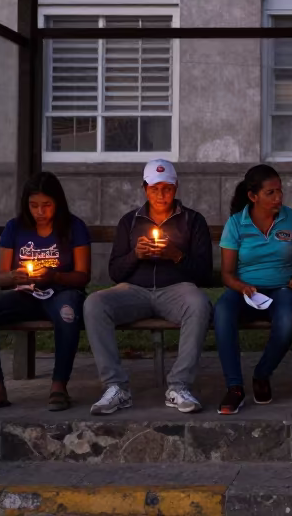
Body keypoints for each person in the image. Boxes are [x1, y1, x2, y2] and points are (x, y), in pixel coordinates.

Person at [84, 159, 213, 415]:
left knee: (199, 303)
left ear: (176, 187)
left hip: (176, 289)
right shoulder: (130, 222)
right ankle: (115, 387)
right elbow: (114, 272)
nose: (161, 195)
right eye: (155, 189)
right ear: (144, 189)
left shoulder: (193, 221)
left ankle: (179, 385)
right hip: (134, 290)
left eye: (167, 188)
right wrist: (135, 255)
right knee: (94, 304)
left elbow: (204, 273)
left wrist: (176, 255)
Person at [0, 172, 90, 414]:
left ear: (58, 203)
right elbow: (1, 277)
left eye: (47, 205)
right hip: (25, 294)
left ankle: (59, 386)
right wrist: (13, 276)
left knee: (67, 312)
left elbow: (83, 276)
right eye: (34, 206)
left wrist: (54, 276)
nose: (40, 212)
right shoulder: (15, 228)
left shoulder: (74, 227)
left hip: (61, 292)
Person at [215, 164, 292, 415]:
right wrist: (242, 287)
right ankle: (234, 387)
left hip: (282, 288)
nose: (278, 197)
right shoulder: (236, 224)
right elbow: (226, 274)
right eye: (271, 193)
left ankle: (262, 374)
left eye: (280, 191)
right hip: (245, 290)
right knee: (222, 313)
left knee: (288, 319)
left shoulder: (291, 218)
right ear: (253, 196)